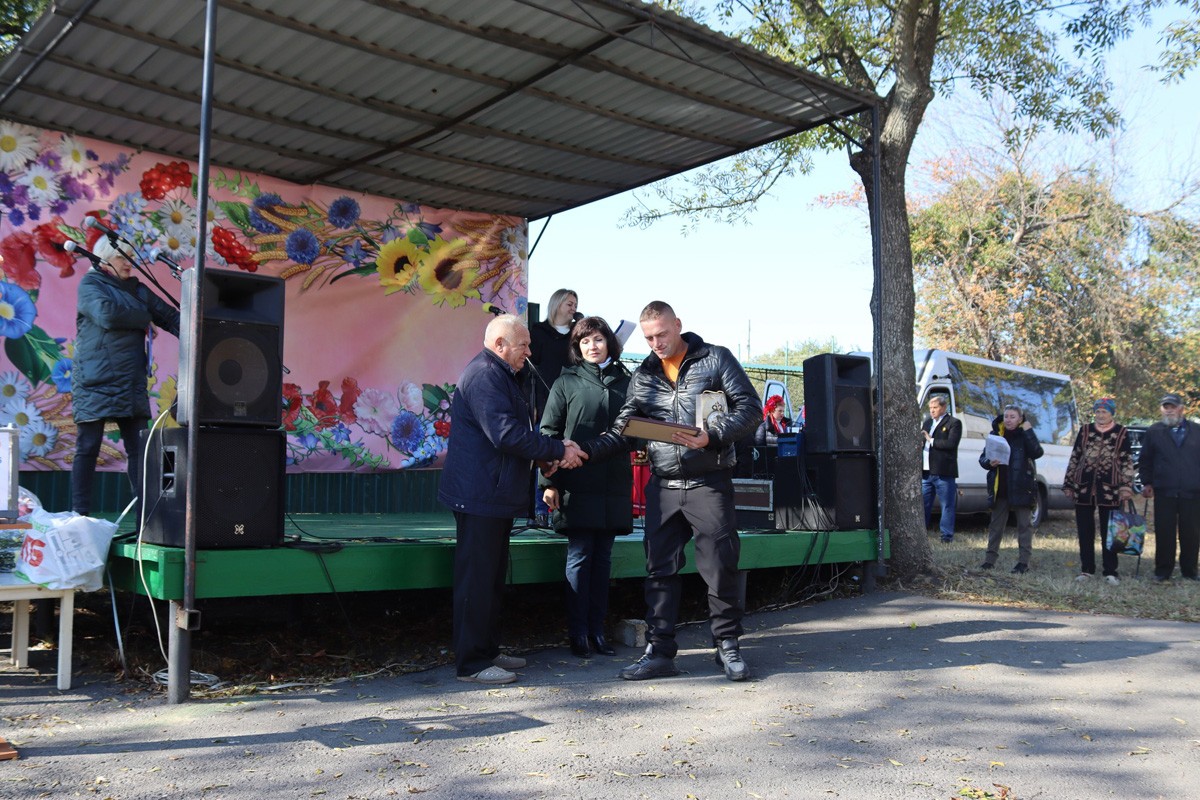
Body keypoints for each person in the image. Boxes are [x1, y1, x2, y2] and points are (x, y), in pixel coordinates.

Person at [583, 301, 761, 682]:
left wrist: (711, 436)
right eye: (648, 337)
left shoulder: (715, 359)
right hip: (663, 486)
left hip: (709, 483)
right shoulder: (643, 375)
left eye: (662, 334)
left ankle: (727, 646)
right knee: (658, 571)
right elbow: (624, 430)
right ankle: (660, 651)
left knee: (720, 568)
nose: (656, 343)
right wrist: (583, 452)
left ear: (678, 324)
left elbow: (751, 409)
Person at [439, 314, 588, 685]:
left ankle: (487, 650)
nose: (529, 350)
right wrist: (556, 448)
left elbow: (513, 435)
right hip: (479, 496)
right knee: (477, 580)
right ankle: (472, 663)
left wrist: (545, 452)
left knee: (490, 579)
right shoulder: (486, 375)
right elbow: (506, 435)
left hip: (491, 494)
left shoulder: (500, 373)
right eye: (523, 344)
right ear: (500, 345)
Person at [539, 316, 632, 658]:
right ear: (577, 348)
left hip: (613, 482)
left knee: (603, 559)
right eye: (584, 341)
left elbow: (637, 428)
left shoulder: (628, 380)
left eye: (598, 339)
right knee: (579, 557)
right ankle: (577, 634)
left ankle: (597, 632)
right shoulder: (566, 382)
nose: (592, 346)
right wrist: (548, 481)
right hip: (576, 482)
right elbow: (548, 434)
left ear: (609, 341)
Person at [72, 236, 180, 523]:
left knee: (140, 450)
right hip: (95, 379)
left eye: (132, 256)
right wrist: (146, 318)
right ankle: (79, 515)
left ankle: (148, 516)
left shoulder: (138, 289)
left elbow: (171, 318)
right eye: (123, 257)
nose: (129, 263)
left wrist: (203, 332)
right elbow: (107, 315)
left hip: (130, 381)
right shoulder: (91, 284)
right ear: (105, 259)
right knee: (88, 446)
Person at [1063, 397, 1135, 585]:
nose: (1100, 415)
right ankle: (1086, 570)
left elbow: (1126, 460)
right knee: (1085, 530)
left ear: (1112, 413)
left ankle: (1110, 571)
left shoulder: (1121, 432)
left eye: (1104, 412)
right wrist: (1069, 484)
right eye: (1098, 412)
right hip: (1084, 487)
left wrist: (1126, 485)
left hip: (1110, 488)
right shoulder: (1085, 430)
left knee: (1109, 531)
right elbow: (1075, 456)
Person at [1138, 393, 1200, 582]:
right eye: (1166, 407)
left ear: (1181, 408)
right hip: (1164, 490)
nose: (1169, 410)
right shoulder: (1154, 431)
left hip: (1193, 491)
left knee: (1191, 532)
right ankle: (1163, 571)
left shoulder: (1197, 430)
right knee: (1164, 532)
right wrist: (1147, 482)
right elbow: (1145, 459)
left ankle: (1189, 571)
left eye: (1172, 406)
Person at [979, 404, 1044, 574]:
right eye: (1006, 416)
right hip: (1000, 488)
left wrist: (1028, 430)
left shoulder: (1024, 435)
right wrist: (988, 462)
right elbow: (983, 458)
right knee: (996, 526)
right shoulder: (996, 434)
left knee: (1024, 526)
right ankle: (989, 560)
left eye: (1013, 416)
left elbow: (1037, 452)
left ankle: (1023, 563)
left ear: (1020, 419)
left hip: (1022, 488)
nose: (1008, 419)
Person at [528, 288, 579, 415]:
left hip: (574, 397)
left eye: (576, 305)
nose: (574, 308)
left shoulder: (578, 334)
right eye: (569, 304)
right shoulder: (539, 332)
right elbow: (529, 367)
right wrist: (531, 402)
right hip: (546, 398)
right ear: (556, 305)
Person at [921, 394, 962, 543]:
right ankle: (922, 535)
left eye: (935, 407)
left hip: (943, 472)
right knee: (923, 505)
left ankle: (946, 536)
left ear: (944, 407)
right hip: (926, 472)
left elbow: (951, 444)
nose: (932, 411)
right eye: (930, 408)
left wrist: (931, 440)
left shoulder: (954, 423)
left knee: (947, 505)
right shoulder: (927, 423)